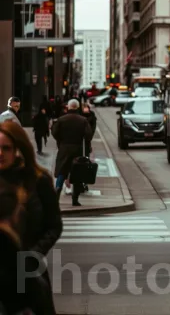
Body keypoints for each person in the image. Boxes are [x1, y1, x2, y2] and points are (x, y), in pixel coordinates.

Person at [0, 121, 63, 314]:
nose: (0, 153)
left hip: (28, 272)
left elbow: (54, 226)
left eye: (6, 148)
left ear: (18, 149)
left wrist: (33, 256)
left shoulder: (38, 180)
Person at [52, 99, 93, 206]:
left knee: (62, 171)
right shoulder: (83, 120)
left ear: (68, 107)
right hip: (78, 149)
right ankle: (75, 199)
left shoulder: (61, 119)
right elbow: (88, 135)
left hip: (64, 148)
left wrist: (61, 141)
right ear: (78, 107)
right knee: (77, 173)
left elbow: (55, 132)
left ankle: (57, 192)